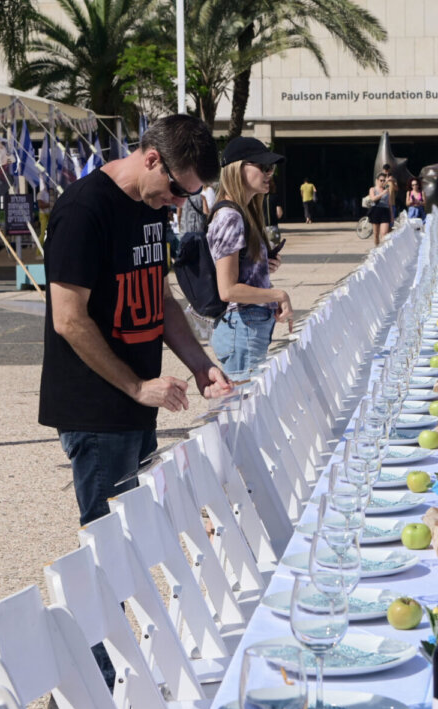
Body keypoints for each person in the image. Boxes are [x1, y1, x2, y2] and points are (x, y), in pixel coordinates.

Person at [39, 114, 233, 530]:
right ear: (151, 160)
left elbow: (158, 298)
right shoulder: (83, 209)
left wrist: (200, 365)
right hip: (97, 410)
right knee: (112, 541)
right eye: (178, 189)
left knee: (139, 535)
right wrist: (137, 387)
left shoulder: (150, 206)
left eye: (190, 196)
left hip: (139, 406)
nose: (179, 203)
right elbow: (68, 320)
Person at [209, 137, 294, 380]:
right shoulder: (230, 216)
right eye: (262, 167)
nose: (269, 173)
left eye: (272, 168)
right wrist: (278, 295)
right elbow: (228, 290)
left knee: (249, 409)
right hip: (242, 326)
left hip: (247, 326)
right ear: (238, 168)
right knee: (243, 412)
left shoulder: (242, 212)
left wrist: (260, 269)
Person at [366, 172, 394, 246]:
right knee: (376, 234)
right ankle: (377, 249)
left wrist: (392, 216)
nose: (382, 182)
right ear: (377, 180)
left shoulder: (387, 190)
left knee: (384, 233)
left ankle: (383, 250)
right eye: (381, 180)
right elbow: (373, 199)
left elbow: (390, 204)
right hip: (376, 211)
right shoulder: (372, 189)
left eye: (384, 180)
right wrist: (382, 193)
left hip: (385, 211)